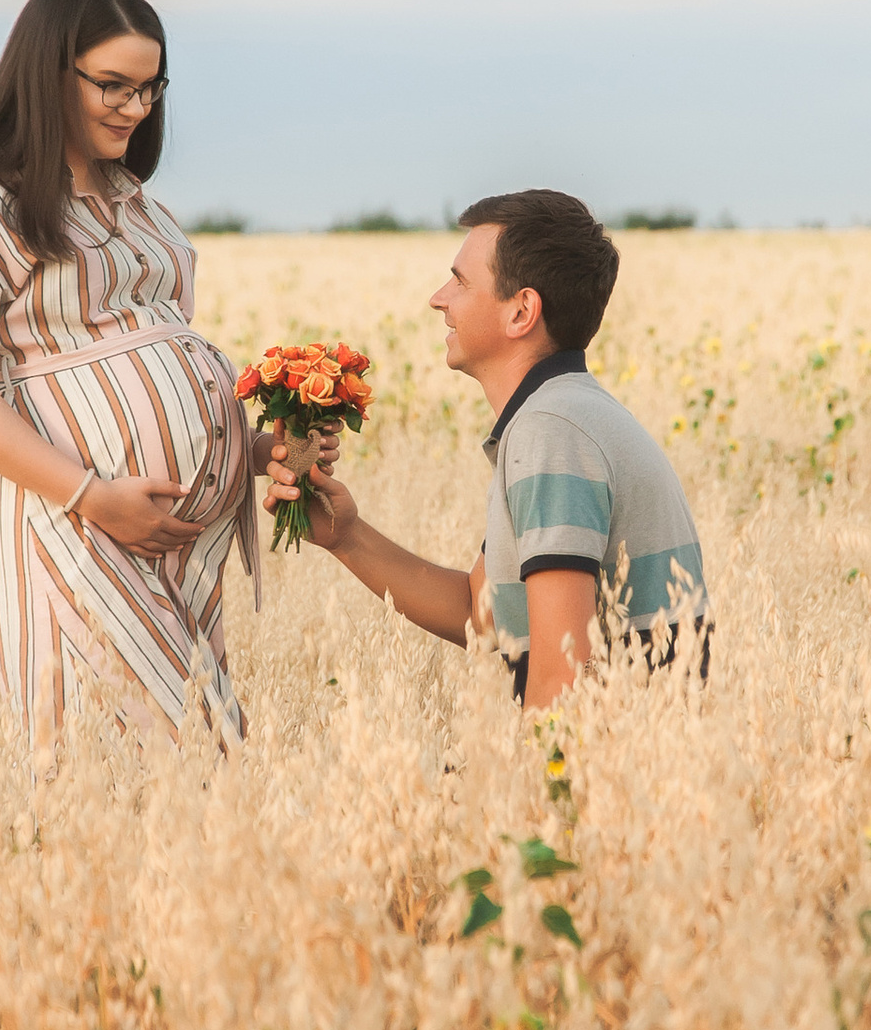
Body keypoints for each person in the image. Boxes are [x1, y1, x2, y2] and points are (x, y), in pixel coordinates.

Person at [0, 0, 261, 752]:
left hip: (168, 539)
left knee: (205, 760)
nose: (136, 108)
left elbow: (149, 360)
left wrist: (256, 448)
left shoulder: (134, 202)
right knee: (152, 762)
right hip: (71, 527)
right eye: (112, 86)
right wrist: (94, 496)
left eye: (151, 89)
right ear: (48, 74)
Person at [270, 188, 708, 713]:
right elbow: (483, 614)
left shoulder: (552, 432)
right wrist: (346, 538)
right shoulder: (565, 413)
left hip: (612, 776)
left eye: (460, 281)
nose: (439, 298)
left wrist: (521, 791)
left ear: (521, 311)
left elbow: (563, 674)